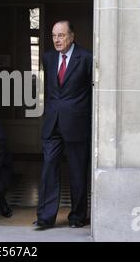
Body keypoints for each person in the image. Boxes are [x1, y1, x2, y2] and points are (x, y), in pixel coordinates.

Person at [34, 21, 93, 229]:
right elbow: (51, 90)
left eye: (61, 35)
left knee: (77, 172)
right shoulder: (48, 58)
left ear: (72, 36)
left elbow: (93, 92)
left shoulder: (86, 58)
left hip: (77, 125)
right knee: (49, 168)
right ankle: (45, 217)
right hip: (52, 124)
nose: (57, 40)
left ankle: (77, 217)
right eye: (54, 36)